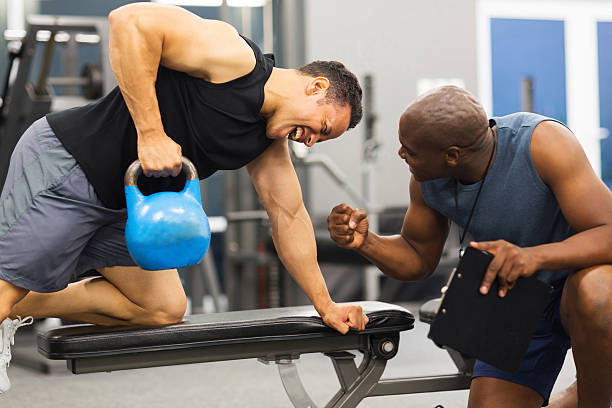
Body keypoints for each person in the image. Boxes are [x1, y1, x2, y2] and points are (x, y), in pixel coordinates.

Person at [0, 2, 369, 393]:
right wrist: (151, 133)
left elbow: (289, 216)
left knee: (162, 308)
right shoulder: (233, 59)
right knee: (6, 291)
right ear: (316, 87)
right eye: (322, 127)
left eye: (320, 140)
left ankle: (16, 302)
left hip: (119, 205)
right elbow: (129, 20)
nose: (311, 141)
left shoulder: (265, 146)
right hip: (69, 165)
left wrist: (326, 304)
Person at [327, 85, 612, 407]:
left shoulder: (543, 143)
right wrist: (367, 242)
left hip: (573, 289)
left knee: (598, 290)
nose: (401, 154)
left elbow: (609, 231)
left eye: (411, 150)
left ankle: (592, 398)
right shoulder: (426, 175)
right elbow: (417, 258)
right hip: (510, 296)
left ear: (452, 155)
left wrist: (534, 256)